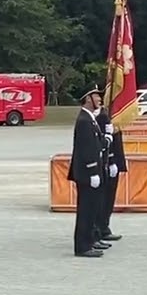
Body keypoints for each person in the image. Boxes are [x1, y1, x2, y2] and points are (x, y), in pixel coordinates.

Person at [67, 86, 106, 258]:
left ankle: (89, 241)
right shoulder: (84, 120)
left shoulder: (90, 119)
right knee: (85, 210)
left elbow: (96, 144)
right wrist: (92, 171)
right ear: (87, 99)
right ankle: (82, 246)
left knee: (91, 209)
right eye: (96, 96)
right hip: (87, 173)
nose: (99, 99)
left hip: (92, 171)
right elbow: (86, 149)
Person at [94, 108, 124, 243]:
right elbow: (103, 143)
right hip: (106, 164)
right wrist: (111, 160)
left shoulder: (113, 115)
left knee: (109, 198)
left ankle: (104, 227)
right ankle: (101, 228)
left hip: (114, 163)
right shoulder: (102, 117)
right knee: (104, 199)